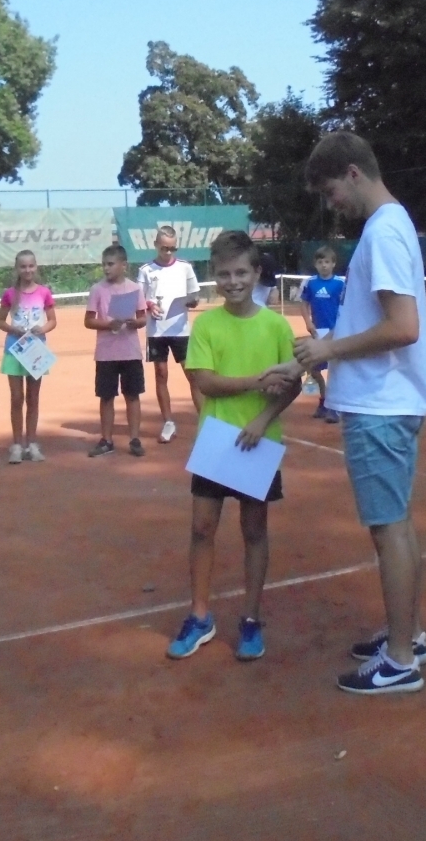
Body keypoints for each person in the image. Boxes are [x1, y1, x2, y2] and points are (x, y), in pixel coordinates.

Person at [289, 132, 426, 695]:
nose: (333, 206)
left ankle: (400, 660)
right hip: (385, 400)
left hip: (382, 404)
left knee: (388, 527)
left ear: (353, 173)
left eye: (331, 192)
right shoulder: (388, 227)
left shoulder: (385, 231)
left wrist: (327, 349)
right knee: (396, 520)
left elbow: (403, 327)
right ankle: (410, 633)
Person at [166, 231, 299, 663]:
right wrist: (256, 382)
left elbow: (293, 385)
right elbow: (204, 380)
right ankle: (200, 616)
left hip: (259, 445)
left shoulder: (277, 326)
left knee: (254, 532)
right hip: (216, 442)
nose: (233, 281)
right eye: (224, 273)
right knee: (202, 529)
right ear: (214, 277)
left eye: (241, 272)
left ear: (256, 273)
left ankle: (250, 619)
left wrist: (262, 419)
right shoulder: (206, 324)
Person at [137, 226, 203, 444]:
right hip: (156, 331)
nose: (169, 252)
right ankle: (168, 423)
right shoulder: (146, 270)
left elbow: (195, 295)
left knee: (192, 374)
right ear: (156, 245)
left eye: (173, 248)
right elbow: (139, 298)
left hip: (181, 329)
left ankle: (205, 422)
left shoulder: (185, 268)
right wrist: (148, 305)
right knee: (161, 374)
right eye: (165, 248)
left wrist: (192, 301)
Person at [84, 244, 147, 457]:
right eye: (104, 264)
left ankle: (135, 439)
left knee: (132, 395)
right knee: (107, 396)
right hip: (106, 354)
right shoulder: (97, 290)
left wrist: (134, 322)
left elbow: (142, 318)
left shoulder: (135, 289)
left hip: (130, 352)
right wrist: (108, 325)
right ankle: (107, 440)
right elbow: (89, 321)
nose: (106, 268)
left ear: (123, 265)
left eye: (110, 264)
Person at [0, 249, 58, 464]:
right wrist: (16, 330)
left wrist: (43, 329)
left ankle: (32, 444)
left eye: (31, 265)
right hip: (14, 349)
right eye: (23, 266)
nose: (27, 270)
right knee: (16, 398)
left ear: (36, 267)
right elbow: (1, 321)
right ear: (17, 269)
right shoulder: (10, 294)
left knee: (33, 398)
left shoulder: (44, 292)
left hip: (36, 351)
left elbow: (52, 320)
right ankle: (16, 445)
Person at [300, 245, 346, 423]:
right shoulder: (310, 283)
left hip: (337, 333)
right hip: (318, 332)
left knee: (335, 369)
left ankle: (334, 407)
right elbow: (304, 304)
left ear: (333, 264)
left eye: (327, 262)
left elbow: (347, 306)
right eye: (320, 262)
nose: (324, 265)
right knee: (314, 368)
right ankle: (324, 401)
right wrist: (308, 322)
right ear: (315, 264)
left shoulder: (340, 283)